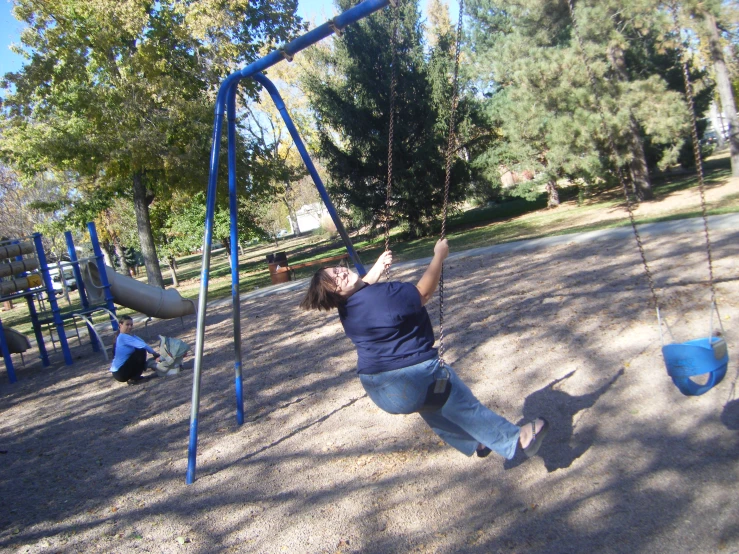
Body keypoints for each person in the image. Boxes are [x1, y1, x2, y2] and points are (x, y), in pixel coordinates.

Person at [300, 239, 550, 462]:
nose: (341, 274)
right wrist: (439, 255)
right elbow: (423, 293)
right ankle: (517, 439)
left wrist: (378, 266)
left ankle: (478, 440)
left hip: (382, 391)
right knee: (461, 402)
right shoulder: (382, 297)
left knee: (432, 405)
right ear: (335, 295)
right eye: (336, 281)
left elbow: (361, 284)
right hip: (412, 376)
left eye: (337, 270)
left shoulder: (347, 309)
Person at [109, 315, 160, 385]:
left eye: (131, 325)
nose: (130, 327)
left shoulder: (127, 336)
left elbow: (142, 342)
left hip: (120, 371)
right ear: (120, 325)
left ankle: (136, 374)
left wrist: (133, 335)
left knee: (139, 350)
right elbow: (143, 345)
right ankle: (135, 378)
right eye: (127, 324)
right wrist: (155, 354)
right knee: (141, 350)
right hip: (120, 372)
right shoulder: (122, 337)